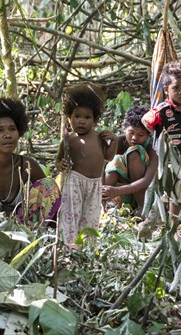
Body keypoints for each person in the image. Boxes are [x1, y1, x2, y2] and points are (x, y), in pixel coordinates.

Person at [0, 97, 60, 222]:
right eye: (0, 130)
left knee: (49, 184)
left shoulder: (27, 165)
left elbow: (50, 197)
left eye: (12, 129)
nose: (8, 135)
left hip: (26, 231)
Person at [55, 82, 118, 246]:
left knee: (91, 217)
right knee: (71, 214)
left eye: (87, 117)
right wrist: (60, 164)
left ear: (95, 119)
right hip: (74, 182)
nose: (81, 121)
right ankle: (67, 246)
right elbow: (59, 159)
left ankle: (87, 248)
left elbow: (109, 157)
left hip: (95, 184)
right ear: (69, 117)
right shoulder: (69, 139)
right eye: (77, 116)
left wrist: (115, 140)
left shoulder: (99, 137)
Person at [141, 61, 181, 219]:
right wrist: (160, 136)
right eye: (176, 88)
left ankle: (176, 220)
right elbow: (146, 120)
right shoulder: (163, 110)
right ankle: (173, 223)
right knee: (173, 190)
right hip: (170, 159)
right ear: (166, 89)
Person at [102, 105, 158, 217]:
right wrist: (103, 190)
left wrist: (118, 191)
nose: (134, 138)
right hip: (118, 194)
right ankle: (103, 203)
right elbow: (100, 167)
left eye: (140, 135)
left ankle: (141, 206)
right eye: (131, 133)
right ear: (125, 129)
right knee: (115, 160)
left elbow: (147, 180)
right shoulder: (118, 142)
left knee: (134, 153)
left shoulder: (153, 149)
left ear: (148, 135)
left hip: (144, 194)